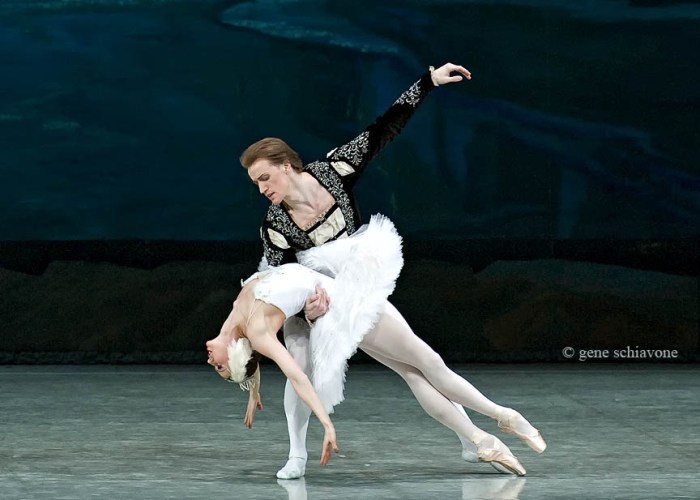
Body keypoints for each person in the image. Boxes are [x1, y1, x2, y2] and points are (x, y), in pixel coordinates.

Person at [239, 63, 545, 479]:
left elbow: (383, 129)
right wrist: (305, 312)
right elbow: (280, 279)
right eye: (256, 183)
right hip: (328, 303)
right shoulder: (275, 224)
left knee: (416, 367)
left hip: (357, 285)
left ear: (286, 164)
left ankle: (480, 436)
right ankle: (494, 424)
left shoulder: (333, 171)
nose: (263, 189)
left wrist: (428, 83)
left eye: (265, 177)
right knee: (389, 362)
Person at [207, 215, 545, 477]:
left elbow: (246, 359)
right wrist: (326, 422)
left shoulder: (234, 321)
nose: (211, 362)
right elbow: (296, 377)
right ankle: (501, 418)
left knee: (416, 372)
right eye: (220, 367)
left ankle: (479, 438)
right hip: (345, 307)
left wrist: (251, 388)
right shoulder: (256, 330)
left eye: (217, 368)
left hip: (342, 295)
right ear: (236, 352)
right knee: (429, 364)